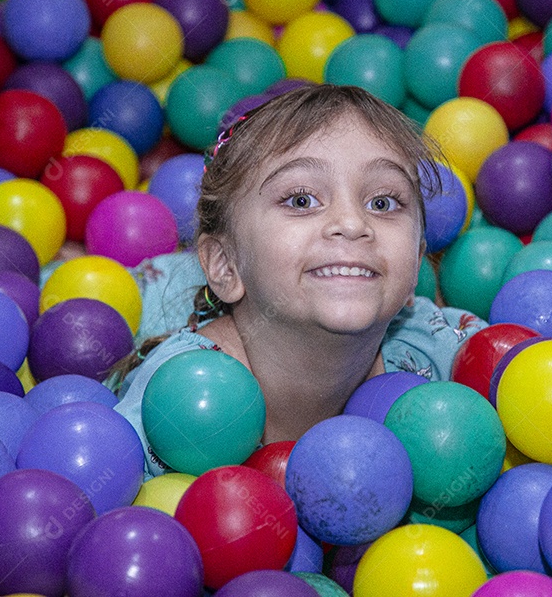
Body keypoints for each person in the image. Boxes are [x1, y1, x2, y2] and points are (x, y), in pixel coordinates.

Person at [113, 84, 485, 478]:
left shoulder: (439, 348)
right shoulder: (179, 397)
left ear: (415, 265)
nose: (352, 224)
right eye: (301, 200)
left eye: (382, 202)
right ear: (226, 265)